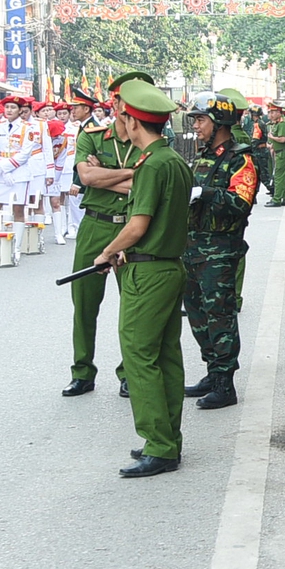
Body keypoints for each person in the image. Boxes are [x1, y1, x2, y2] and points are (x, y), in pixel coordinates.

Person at [88, 80, 193, 477]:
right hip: (167, 267)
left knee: (138, 356)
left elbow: (137, 224)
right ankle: (168, 439)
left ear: (133, 122)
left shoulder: (151, 165)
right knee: (166, 354)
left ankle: (159, 445)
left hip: (147, 271)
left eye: (123, 117)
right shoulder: (173, 160)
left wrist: (107, 251)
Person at [65, 72, 154, 394]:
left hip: (134, 226)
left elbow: (151, 183)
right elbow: (86, 177)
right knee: (85, 303)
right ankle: (83, 371)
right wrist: (133, 173)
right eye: (124, 99)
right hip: (96, 224)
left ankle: (128, 372)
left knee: (132, 305)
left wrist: (107, 174)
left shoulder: (153, 139)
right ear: (114, 102)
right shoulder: (92, 135)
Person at [185, 89, 263, 409]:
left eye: (201, 119)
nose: (197, 126)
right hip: (193, 245)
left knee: (220, 316)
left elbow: (240, 203)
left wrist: (205, 193)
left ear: (220, 123)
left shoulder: (240, 159)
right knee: (196, 313)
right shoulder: (204, 155)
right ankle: (211, 369)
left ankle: (224, 382)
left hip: (220, 248)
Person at [262, 100, 285, 206]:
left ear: (279, 112)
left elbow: (282, 139)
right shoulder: (278, 123)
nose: (270, 115)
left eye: (272, 112)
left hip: (283, 152)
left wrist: (271, 137)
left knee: (279, 176)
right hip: (282, 151)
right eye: (270, 112)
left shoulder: (283, 123)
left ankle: (276, 199)